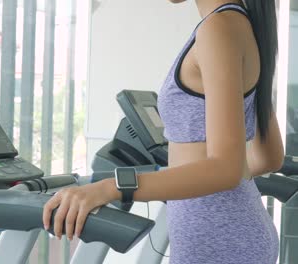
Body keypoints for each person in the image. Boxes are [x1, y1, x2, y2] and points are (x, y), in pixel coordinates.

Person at [42, 0, 284, 263]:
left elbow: (226, 169)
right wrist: (184, 175)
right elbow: (268, 157)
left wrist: (111, 188)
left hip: (221, 239)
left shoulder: (219, 29)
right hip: (228, 233)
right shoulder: (240, 25)